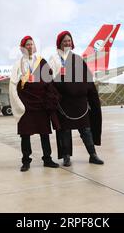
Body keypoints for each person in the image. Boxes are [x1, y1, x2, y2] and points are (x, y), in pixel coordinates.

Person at [49, 31, 103, 167]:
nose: (67, 43)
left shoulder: (78, 59)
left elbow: (87, 79)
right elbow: (50, 80)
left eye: (69, 41)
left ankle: (93, 154)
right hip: (64, 102)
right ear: (59, 43)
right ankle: (66, 156)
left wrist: (89, 95)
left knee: (86, 129)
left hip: (80, 102)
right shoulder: (54, 59)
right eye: (65, 41)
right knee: (65, 131)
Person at [9, 35, 60, 172]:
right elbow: (13, 84)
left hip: (41, 104)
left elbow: (49, 81)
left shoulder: (41, 61)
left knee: (44, 133)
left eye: (31, 44)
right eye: (27, 45)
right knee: (25, 134)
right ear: (23, 48)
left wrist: (50, 99)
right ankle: (26, 161)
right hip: (26, 105)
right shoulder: (18, 64)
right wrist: (18, 104)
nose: (30, 47)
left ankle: (47, 159)